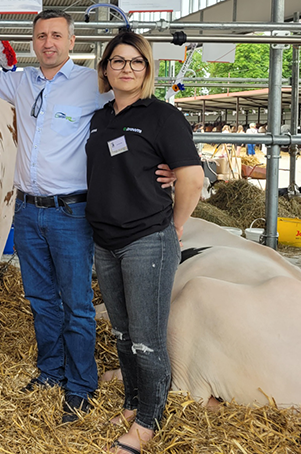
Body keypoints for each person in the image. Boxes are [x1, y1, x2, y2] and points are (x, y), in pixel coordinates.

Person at [0, 11, 174, 424]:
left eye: (56, 35)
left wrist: (168, 163)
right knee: (41, 300)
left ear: (71, 41)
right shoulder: (21, 82)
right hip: (27, 209)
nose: (48, 42)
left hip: (73, 212)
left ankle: (80, 386)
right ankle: (50, 372)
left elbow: (138, 109)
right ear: (33, 42)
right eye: (41, 35)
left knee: (76, 304)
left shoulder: (94, 83)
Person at [86, 31, 203, 454]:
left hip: (147, 240)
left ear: (148, 70)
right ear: (105, 69)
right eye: (118, 61)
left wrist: (174, 226)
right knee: (121, 332)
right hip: (105, 241)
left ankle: (149, 421)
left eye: (137, 62)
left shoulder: (162, 116)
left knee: (146, 337)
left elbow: (192, 178)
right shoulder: (101, 118)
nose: (127, 69)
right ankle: (133, 402)